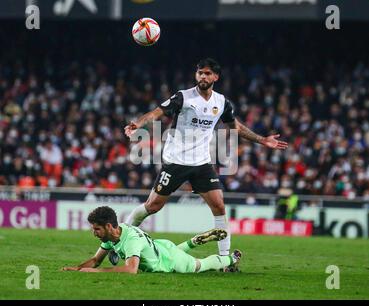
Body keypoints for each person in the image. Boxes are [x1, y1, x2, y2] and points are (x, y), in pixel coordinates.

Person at [124, 58, 288, 261]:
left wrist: (262, 140)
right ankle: (123, 238)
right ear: (196, 75)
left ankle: (225, 259)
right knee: (153, 206)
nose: (203, 76)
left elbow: (235, 127)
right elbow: (156, 113)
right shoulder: (183, 97)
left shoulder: (221, 102)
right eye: (200, 72)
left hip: (201, 163)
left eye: (208, 73)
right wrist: (138, 124)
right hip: (176, 161)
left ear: (216, 77)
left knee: (219, 206)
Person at [62, 206, 242, 274]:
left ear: (109, 226)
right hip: (161, 246)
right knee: (171, 253)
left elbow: (131, 270)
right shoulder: (113, 235)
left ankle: (231, 258)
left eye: (96, 229)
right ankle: (192, 242)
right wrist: (78, 268)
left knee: (201, 265)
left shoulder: (130, 239)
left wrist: (97, 272)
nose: (94, 233)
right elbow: (95, 260)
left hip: (171, 261)